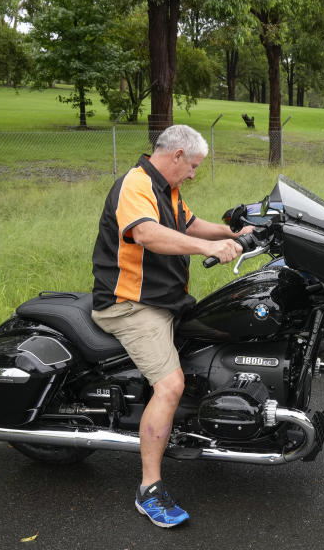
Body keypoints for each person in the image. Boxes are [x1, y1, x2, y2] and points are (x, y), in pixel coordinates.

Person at [91, 124, 249, 528]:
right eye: (193, 165)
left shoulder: (167, 189)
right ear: (177, 155)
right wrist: (209, 248)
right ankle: (149, 490)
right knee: (170, 384)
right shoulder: (136, 184)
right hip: (131, 305)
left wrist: (239, 232)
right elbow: (146, 233)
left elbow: (190, 223)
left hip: (165, 300)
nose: (194, 173)